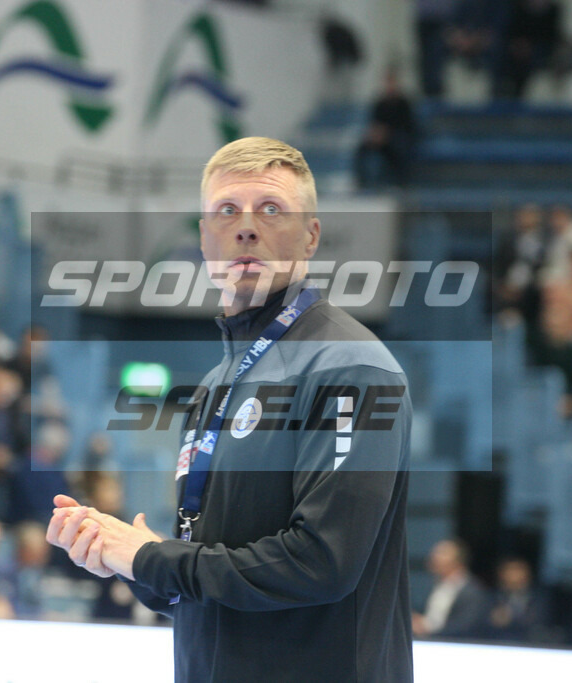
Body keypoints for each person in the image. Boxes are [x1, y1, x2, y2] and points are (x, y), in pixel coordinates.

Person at [46, 137, 414, 682]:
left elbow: (322, 563)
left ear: (311, 236)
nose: (246, 226)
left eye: (271, 210)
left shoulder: (350, 367)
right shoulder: (217, 385)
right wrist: (125, 557)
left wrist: (153, 559)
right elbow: (210, 580)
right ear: (203, 237)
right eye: (226, 211)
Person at [412, 538, 491, 639]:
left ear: (458, 560)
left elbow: (466, 627)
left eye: (441, 554)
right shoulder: (437, 586)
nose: (434, 558)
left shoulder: (473, 591)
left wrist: (428, 630)